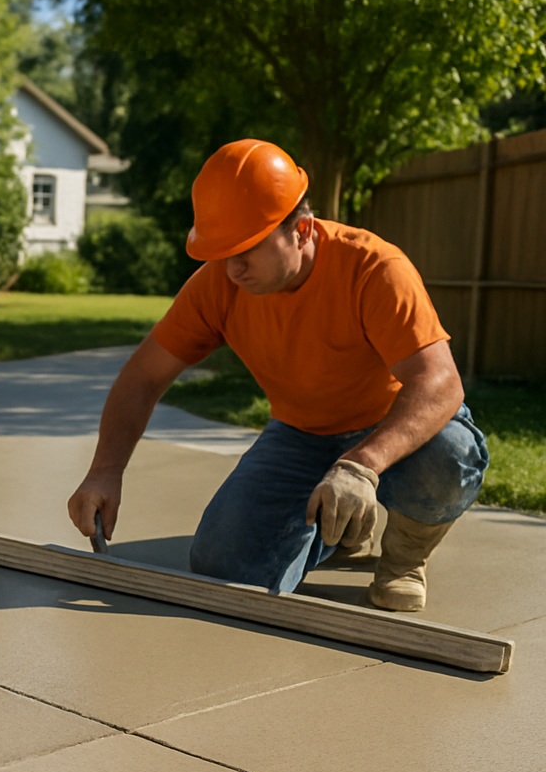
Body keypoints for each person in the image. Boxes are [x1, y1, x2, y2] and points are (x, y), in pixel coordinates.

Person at [68, 139, 488, 612]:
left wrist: (361, 466)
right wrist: (105, 470)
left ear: (302, 229)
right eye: (222, 251)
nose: (232, 268)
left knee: (451, 456)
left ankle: (405, 558)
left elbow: (439, 383)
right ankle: (342, 523)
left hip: (392, 431)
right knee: (224, 569)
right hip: (301, 436)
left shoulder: (372, 268)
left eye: (247, 249)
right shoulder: (219, 284)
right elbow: (143, 376)